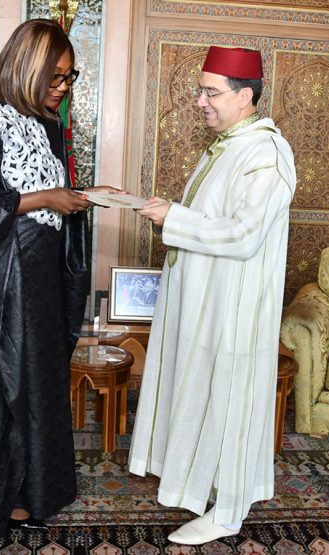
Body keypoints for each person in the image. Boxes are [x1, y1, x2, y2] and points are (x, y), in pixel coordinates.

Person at [0, 19, 115, 540]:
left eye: (69, 76)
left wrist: (83, 196)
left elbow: (52, 197)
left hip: (43, 276)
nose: (63, 86)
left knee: (40, 384)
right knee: (7, 383)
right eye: (55, 76)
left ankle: (35, 493)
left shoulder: (49, 124)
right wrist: (46, 198)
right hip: (8, 277)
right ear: (26, 68)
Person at [129, 46, 295, 545]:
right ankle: (209, 487)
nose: (200, 101)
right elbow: (214, 217)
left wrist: (173, 218)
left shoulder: (266, 154)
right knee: (204, 396)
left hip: (234, 309)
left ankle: (229, 513)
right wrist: (169, 212)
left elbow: (243, 234)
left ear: (245, 97)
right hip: (206, 301)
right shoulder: (228, 144)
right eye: (200, 91)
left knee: (231, 402)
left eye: (211, 92)